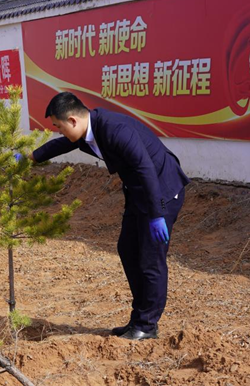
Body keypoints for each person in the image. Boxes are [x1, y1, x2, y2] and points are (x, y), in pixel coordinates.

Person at [30, 92, 189, 341]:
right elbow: (60, 145)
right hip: (138, 192)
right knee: (127, 248)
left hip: (161, 190)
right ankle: (139, 318)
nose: (59, 132)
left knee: (150, 259)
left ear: (72, 120)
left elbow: (145, 168)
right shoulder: (86, 130)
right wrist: (30, 158)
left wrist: (157, 214)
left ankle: (147, 325)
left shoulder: (115, 130)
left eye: (58, 127)